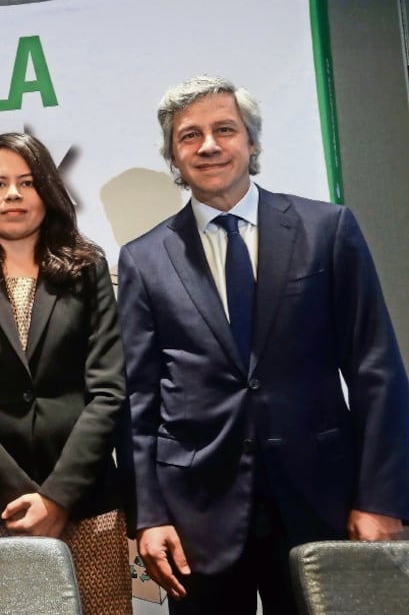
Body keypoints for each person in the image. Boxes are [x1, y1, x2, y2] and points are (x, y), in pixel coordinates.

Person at [118, 75, 409, 615]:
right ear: (173, 157)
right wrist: (149, 516)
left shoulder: (327, 229)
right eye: (189, 136)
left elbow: (377, 370)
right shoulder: (144, 257)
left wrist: (381, 498)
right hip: (196, 515)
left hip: (320, 502)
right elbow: (138, 401)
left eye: (224, 130)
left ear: (251, 143)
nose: (208, 146)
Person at [0, 132, 133, 614]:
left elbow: (108, 390)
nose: (13, 195)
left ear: (48, 191)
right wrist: (24, 496)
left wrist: (58, 497)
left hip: (85, 503)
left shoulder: (88, 270)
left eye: (27, 182)